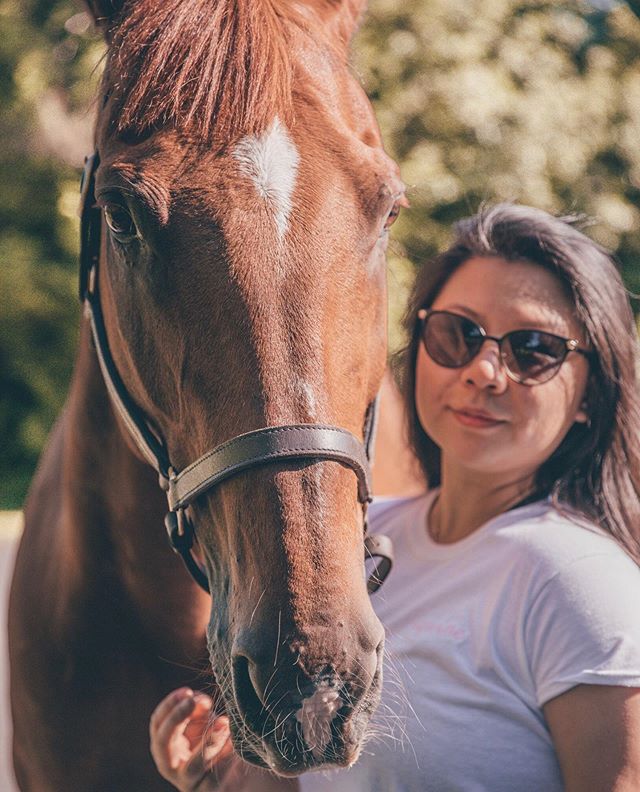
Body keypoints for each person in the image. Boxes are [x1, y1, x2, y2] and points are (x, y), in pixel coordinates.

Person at [149, 204, 640, 791]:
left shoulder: (577, 581)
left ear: (590, 394)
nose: (484, 370)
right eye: (458, 334)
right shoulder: (359, 539)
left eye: (533, 349)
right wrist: (214, 782)